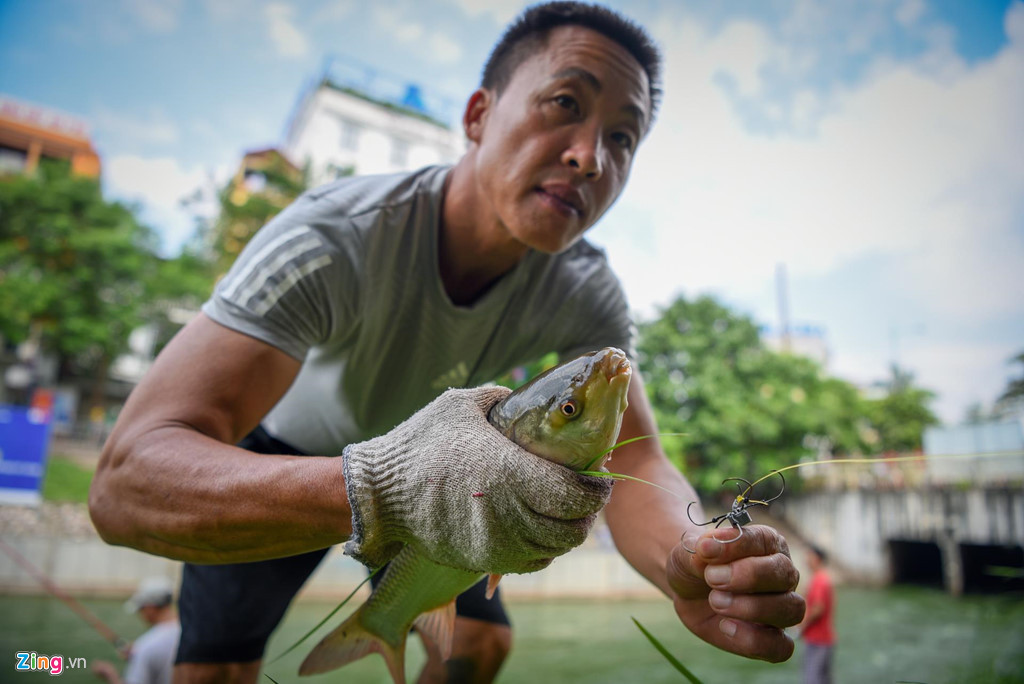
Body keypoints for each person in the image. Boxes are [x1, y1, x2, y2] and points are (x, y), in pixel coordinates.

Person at [88, 3, 805, 683]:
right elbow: (123, 485)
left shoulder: (588, 290)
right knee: (213, 668)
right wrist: (382, 484)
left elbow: (638, 455)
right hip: (285, 459)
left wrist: (687, 557)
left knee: (481, 644)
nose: (591, 156)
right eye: (565, 104)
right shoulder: (333, 236)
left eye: (623, 137)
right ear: (477, 115)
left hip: (457, 468)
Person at [93, 577, 181, 684]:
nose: (140, 614)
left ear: (150, 607)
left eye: (140, 609)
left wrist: (110, 674)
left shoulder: (147, 645)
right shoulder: (189, 630)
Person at [798, 545, 835, 684]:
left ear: (817, 559)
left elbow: (818, 608)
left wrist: (802, 626)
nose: (807, 560)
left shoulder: (819, 580)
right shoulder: (823, 578)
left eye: (810, 556)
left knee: (813, 679)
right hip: (824, 639)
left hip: (817, 639)